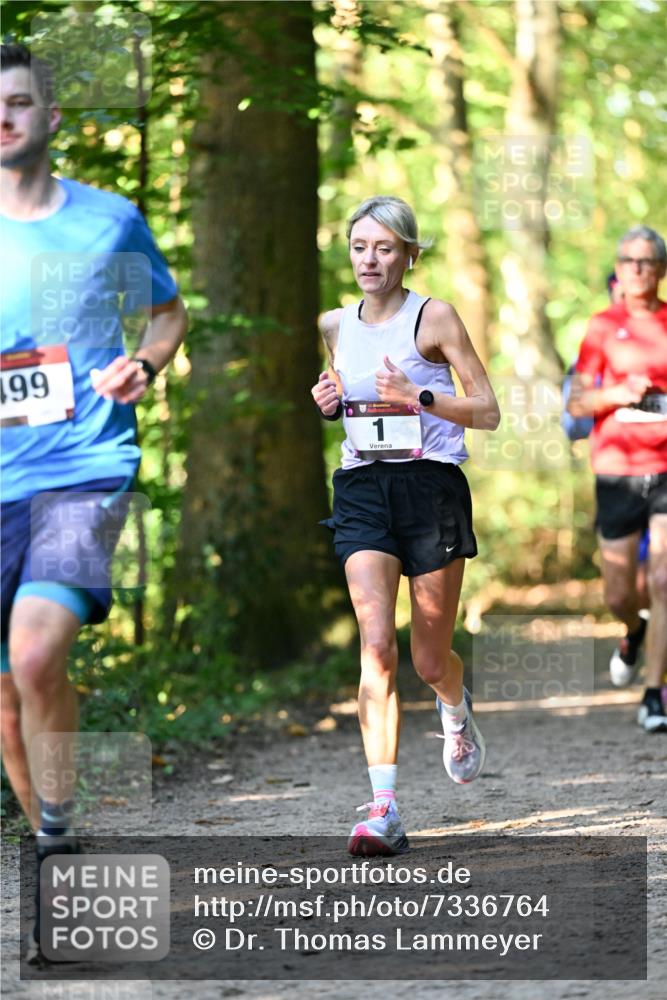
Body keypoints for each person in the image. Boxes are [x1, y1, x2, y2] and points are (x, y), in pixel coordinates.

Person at [0, 42, 188, 956]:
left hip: (83, 468)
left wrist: (144, 365)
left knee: (35, 657)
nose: (4, 117)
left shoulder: (106, 222)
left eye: (19, 102)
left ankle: (56, 848)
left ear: (51, 118)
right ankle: (53, 849)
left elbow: (166, 311)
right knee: (6, 698)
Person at [311, 196, 500, 856]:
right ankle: (383, 807)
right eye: (360, 246)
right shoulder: (333, 323)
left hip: (430, 490)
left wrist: (418, 396)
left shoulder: (434, 316)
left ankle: (453, 706)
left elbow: (486, 410)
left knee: (426, 659)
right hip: (362, 486)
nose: (370, 259)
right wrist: (330, 402)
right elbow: (344, 395)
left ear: (409, 254)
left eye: (385, 248)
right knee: (375, 647)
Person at [567, 226, 667, 732]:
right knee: (618, 595)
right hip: (617, 469)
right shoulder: (603, 327)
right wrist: (619, 393)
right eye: (628, 260)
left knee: (666, 580)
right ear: (619, 268)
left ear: (661, 269)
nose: (637, 269)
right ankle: (634, 630)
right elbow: (577, 401)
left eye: (647, 261)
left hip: (666, 467)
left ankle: (653, 694)